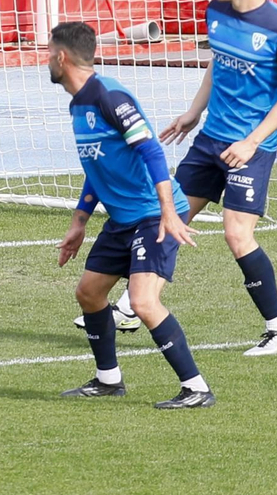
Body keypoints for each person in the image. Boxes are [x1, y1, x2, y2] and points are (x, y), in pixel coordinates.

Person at [49, 21, 214, 409]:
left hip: (153, 215)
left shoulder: (110, 96)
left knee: (142, 302)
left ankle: (196, 388)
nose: (46, 61)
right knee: (89, 293)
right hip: (122, 219)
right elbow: (98, 167)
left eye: (48, 53)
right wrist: (78, 223)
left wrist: (171, 215)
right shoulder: (78, 104)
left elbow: (153, 152)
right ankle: (109, 380)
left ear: (62, 57)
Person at [156, 0, 277, 356]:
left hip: (251, 147)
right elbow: (216, 64)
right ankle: (135, 306)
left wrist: (251, 141)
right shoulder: (216, 12)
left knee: (237, 234)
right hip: (210, 140)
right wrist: (193, 112)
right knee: (169, 215)